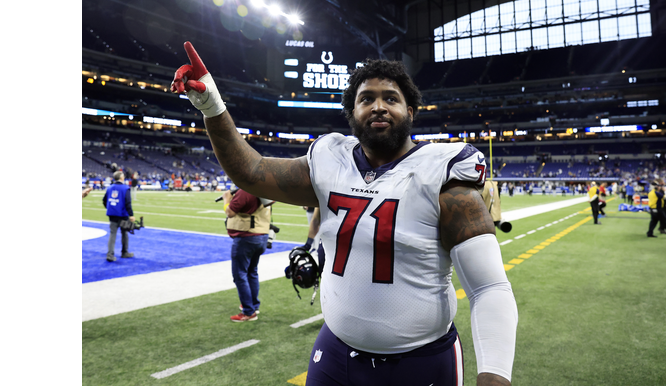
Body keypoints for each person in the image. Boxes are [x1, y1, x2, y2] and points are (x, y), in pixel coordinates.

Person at [171, 42, 518, 386]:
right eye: (366, 99)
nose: (378, 106)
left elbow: (488, 287)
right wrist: (211, 104)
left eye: (391, 98)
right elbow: (251, 171)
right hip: (336, 353)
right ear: (352, 113)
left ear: (411, 111)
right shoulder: (330, 160)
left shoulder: (444, 175)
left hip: (421, 362)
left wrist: (494, 376)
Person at [223, 188, 271, 322]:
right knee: (252, 272)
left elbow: (230, 212)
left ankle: (249, 311)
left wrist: (227, 199)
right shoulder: (264, 189)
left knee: (240, 275)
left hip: (247, 237)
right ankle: (253, 305)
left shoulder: (246, 190)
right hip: (261, 235)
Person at [102, 171, 135, 262]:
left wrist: (111, 208)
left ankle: (110, 254)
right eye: (123, 176)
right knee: (124, 233)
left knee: (113, 234)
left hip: (112, 214)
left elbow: (104, 201)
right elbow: (128, 203)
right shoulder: (125, 188)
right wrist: (131, 215)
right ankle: (124, 252)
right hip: (122, 215)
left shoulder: (109, 188)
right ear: (121, 178)